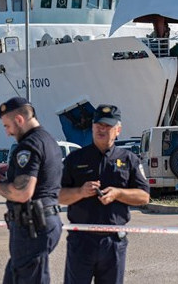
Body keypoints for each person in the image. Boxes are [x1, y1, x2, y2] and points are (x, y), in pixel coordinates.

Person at [59, 104, 150, 284]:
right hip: (81, 241)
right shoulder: (75, 159)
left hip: (113, 242)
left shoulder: (129, 160)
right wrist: (80, 191)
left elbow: (144, 196)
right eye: (98, 124)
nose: (102, 129)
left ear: (118, 129)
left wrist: (118, 193)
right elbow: (58, 195)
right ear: (92, 126)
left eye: (108, 125)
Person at [0, 97, 63, 284]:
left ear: (19, 120)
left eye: (7, 126)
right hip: (42, 221)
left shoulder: (28, 146)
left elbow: (22, 192)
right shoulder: (48, 140)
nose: (7, 133)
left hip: (32, 225)